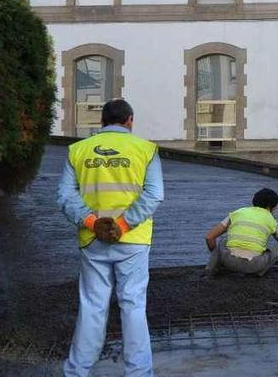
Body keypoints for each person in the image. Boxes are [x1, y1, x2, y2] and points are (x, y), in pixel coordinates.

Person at [57, 98, 164, 377]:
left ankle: (77, 371)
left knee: (92, 305)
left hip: (93, 239)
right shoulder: (146, 150)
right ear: (130, 120)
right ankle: (139, 373)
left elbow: (65, 196)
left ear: (101, 122)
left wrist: (94, 222)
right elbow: (154, 194)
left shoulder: (77, 150)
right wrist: (124, 225)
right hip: (133, 240)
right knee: (133, 305)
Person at [204, 188, 278, 276]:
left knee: (223, 241)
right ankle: (259, 273)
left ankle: (211, 269)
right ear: (271, 207)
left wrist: (217, 255)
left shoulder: (237, 213)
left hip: (228, 262)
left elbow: (209, 237)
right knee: (275, 250)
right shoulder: (272, 221)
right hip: (254, 265)